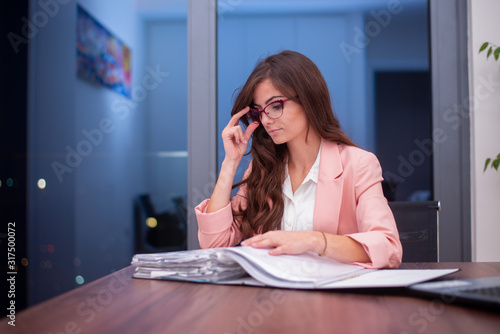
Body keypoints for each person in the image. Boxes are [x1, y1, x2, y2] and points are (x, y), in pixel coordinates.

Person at [195, 50, 402, 269]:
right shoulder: (262, 169)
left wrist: (312, 240)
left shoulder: (358, 164)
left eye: (275, 106)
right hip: (271, 295)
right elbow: (213, 245)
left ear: (308, 99)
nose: (266, 120)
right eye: (259, 112)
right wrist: (230, 163)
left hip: (332, 297)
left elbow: (388, 248)